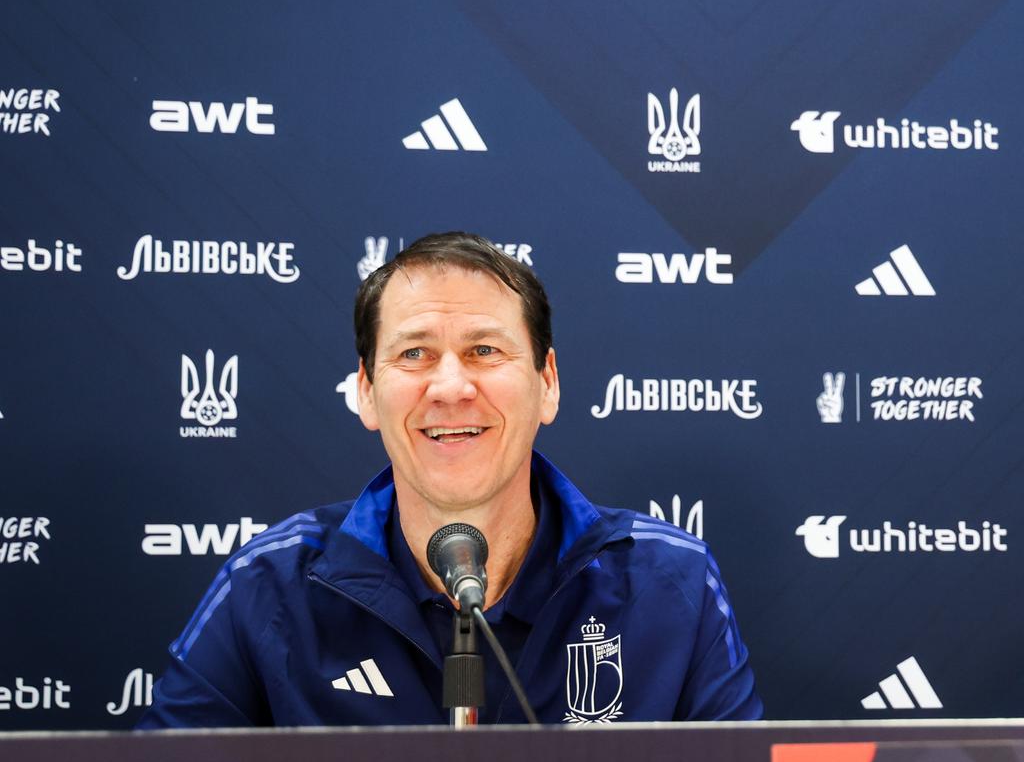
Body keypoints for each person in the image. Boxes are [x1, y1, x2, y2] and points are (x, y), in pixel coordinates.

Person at [140, 232, 760, 727]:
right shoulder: (269, 586)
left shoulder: (672, 582)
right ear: (364, 391)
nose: (451, 387)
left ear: (548, 383)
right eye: (414, 354)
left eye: (485, 351)